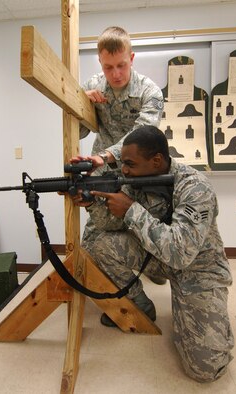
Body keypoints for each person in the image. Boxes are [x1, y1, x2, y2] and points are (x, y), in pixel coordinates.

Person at [75, 125, 234, 383]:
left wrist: (132, 210)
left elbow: (181, 253)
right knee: (99, 244)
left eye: (129, 163)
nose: (123, 169)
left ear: (157, 160)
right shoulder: (136, 181)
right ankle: (140, 306)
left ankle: (207, 313)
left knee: (205, 369)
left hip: (199, 269)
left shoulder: (195, 187)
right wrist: (93, 203)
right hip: (160, 257)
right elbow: (110, 226)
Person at [77, 26, 164, 264]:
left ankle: (152, 265)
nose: (115, 74)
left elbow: (141, 136)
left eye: (121, 65)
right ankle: (90, 267)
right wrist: (82, 104)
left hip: (141, 165)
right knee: (97, 221)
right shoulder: (92, 85)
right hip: (101, 165)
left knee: (144, 216)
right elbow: (78, 132)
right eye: (108, 67)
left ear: (132, 58)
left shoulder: (151, 92)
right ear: (100, 62)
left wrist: (106, 156)